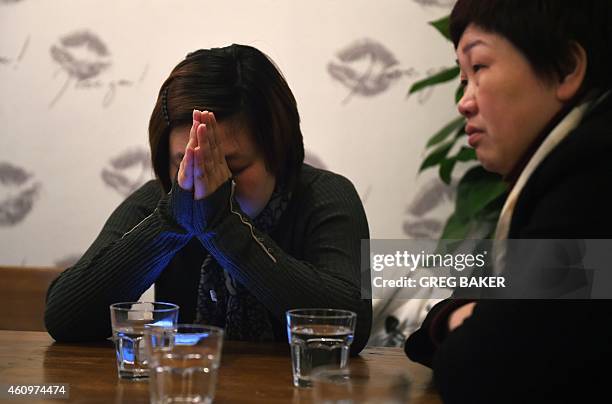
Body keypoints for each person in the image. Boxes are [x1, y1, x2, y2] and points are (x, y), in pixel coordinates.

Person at [45, 44, 372, 353]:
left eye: (232, 166)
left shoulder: (326, 197)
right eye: (187, 162)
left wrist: (224, 227)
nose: (208, 179)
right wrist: (171, 222)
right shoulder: (160, 201)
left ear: (279, 153)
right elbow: (64, 319)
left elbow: (351, 328)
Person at [404, 1, 612, 402]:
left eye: (478, 68)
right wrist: (467, 318)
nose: (464, 101)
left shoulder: (592, 172)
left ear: (567, 67)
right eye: (462, 79)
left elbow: (485, 370)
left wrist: (466, 321)